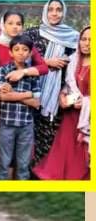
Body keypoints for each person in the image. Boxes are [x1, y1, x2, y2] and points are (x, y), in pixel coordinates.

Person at [24, 0, 81, 168]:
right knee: (29, 137)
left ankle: (43, 176)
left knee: (50, 137)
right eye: (51, 9)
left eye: (58, 9)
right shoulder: (33, 33)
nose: (54, 13)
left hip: (58, 97)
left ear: (63, 12)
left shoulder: (74, 37)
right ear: (45, 12)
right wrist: (47, 62)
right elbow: (22, 59)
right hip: (34, 92)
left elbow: (77, 64)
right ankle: (28, 175)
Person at [36, 26, 91, 180]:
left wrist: (87, 103)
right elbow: (69, 85)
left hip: (87, 120)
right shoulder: (74, 60)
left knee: (83, 159)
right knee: (63, 156)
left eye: (91, 40)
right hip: (71, 116)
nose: (87, 43)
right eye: (84, 39)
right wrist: (62, 96)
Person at [0, 35, 43, 180]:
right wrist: (28, 94)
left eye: (24, 49)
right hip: (6, 124)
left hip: (26, 125)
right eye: (16, 49)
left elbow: (36, 103)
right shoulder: (3, 71)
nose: (21, 52)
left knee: (23, 164)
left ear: (29, 53)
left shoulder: (32, 73)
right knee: (4, 162)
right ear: (11, 52)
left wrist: (14, 94)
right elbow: (3, 97)